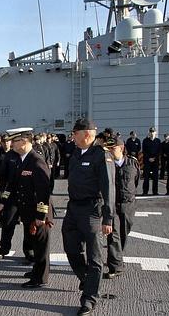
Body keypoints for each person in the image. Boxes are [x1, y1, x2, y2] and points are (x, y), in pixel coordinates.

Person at [62, 118, 115, 316]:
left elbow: (109, 188)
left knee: (94, 257)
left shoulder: (102, 155)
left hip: (92, 209)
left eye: (75, 133)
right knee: (70, 248)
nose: (72, 137)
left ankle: (89, 299)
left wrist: (108, 219)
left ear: (86, 134)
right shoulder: (76, 152)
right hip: (73, 207)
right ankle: (87, 278)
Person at [0, 129, 52, 288]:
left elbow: (44, 191)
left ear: (25, 142)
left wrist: (41, 215)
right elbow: (12, 184)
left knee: (41, 248)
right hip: (28, 211)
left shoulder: (36, 161)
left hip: (38, 214)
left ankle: (40, 278)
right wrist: (2, 202)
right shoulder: (22, 160)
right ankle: (37, 272)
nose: (11, 144)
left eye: (15, 141)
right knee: (35, 244)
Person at [104, 137, 140, 280]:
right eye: (108, 148)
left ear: (121, 148)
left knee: (124, 233)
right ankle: (116, 266)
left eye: (113, 148)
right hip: (112, 204)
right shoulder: (107, 164)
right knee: (113, 235)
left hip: (128, 204)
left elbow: (135, 182)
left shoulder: (133, 163)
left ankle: (116, 258)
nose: (110, 151)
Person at [142, 127, 161, 195]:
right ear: (149, 132)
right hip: (147, 161)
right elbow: (144, 151)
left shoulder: (158, 141)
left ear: (155, 132)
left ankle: (155, 192)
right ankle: (145, 191)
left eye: (153, 132)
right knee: (146, 177)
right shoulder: (145, 140)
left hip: (155, 161)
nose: (152, 133)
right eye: (150, 132)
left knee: (155, 178)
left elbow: (159, 151)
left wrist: (154, 158)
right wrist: (149, 158)